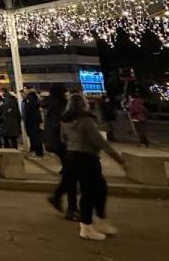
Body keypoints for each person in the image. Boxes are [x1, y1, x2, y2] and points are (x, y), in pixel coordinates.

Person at [61, 93, 125, 241]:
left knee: (98, 189)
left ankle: (98, 221)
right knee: (91, 191)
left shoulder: (65, 120)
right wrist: (119, 159)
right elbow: (100, 142)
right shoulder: (86, 120)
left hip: (72, 156)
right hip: (86, 157)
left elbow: (63, 139)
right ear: (83, 104)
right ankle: (87, 226)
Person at [43, 85, 77, 220]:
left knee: (70, 174)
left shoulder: (52, 105)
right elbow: (59, 125)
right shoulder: (61, 106)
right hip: (64, 145)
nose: (67, 94)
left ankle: (61, 200)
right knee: (72, 175)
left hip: (57, 144)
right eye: (66, 92)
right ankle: (71, 207)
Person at [22, 91, 44, 158]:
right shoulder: (37, 103)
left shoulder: (29, 104)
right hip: (36, 123)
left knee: (34, 138)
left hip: (31, 123)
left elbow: (27, 113)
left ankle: (38, 153)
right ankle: (38, 152)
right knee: (36, 138)